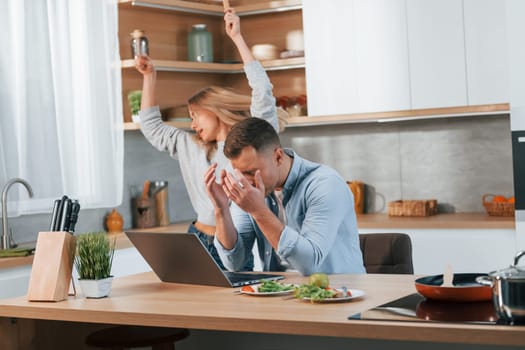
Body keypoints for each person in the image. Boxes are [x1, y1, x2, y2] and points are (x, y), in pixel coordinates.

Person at [134, 8, 284, 270]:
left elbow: (262, 92)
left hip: (232, 246)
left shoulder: (252, 145)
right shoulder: (190, 145)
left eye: (195, 116)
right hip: (197, 239)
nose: (192, 124)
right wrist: (149, 77)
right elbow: (151, 126)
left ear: (215, 111)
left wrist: (237, 37)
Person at [204, 118, 366, 276]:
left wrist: (258, 211)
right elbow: (234, 263)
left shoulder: (325, 184)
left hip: (339, 293)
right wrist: (222, 208)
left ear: (278, 157)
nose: (245, 181)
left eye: (251, 172)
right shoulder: (251, 190)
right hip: (282, 293)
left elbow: (309, 265)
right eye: (239, 173)